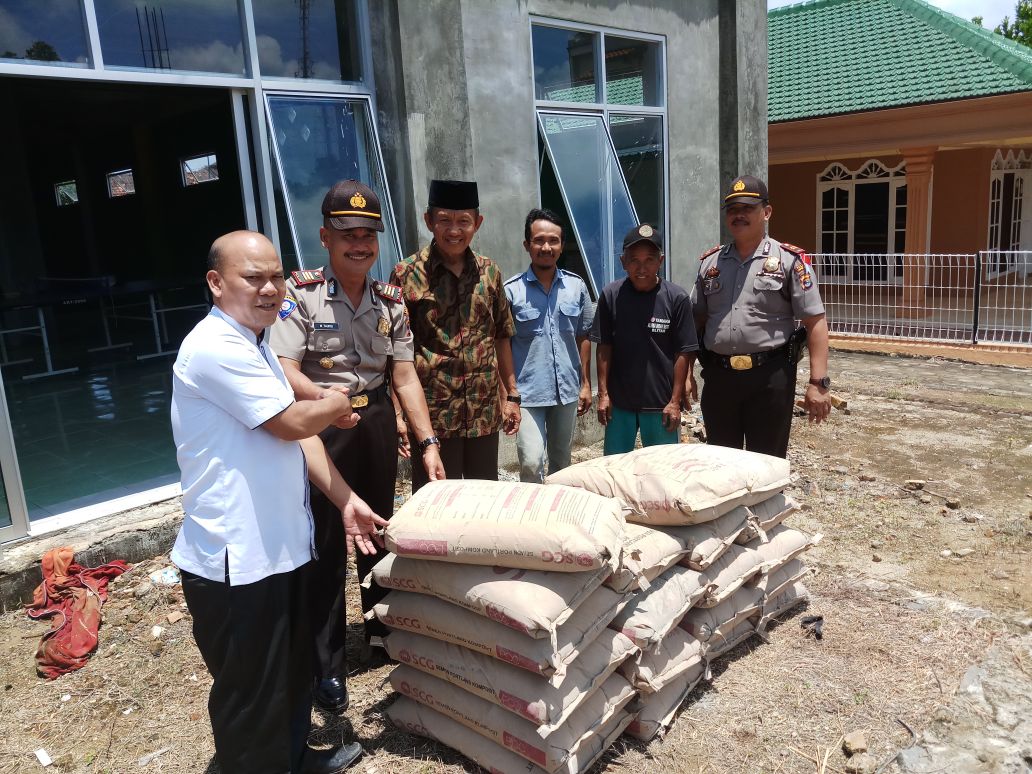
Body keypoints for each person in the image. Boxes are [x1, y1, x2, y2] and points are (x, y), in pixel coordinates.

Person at [171, 230, 387, 774]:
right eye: (253, 278)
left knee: (290, 672)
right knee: (250, 689)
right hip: (234, 559)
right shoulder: (214, 347)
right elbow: (291, 421)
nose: (269, 289)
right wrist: (338, 397)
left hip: (280, 548)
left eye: (276, 277)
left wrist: (345, 500)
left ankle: (293, 757)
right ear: (216, 284)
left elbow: (298, 434)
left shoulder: (256, 342)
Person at [270, 180, 444, 710]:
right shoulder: (299, 295)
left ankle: (382, 634)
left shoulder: (390, 301)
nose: (359, 243)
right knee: (324, 543)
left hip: (373, 425)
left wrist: (427, 440)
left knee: (378, 530)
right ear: (326, 236)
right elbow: (283, 367)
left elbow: (406, 376)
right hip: (323, 427)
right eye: (347, 233)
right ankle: (328, 666)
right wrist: (326, 401)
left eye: (368, 234)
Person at [689, 174, 831, 458]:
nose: (738, 215)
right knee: (720, 461)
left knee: (767, 462)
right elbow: (696, 321)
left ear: (766, 212)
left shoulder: (789, 262)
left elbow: (815, 322)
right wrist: (684, 375)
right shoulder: (710, 263)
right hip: (719, 378)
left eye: (747, 209)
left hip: (770, 377)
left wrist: (818, 383)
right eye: (732, 209)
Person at [390, 179, 519, 491]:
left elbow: (501, 335)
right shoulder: (406, 274)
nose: (454, 231)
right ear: (429, 221)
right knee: (434, 502)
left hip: (483, 412)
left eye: (463, 222)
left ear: (477, 223)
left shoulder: (490, 272)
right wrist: (398, 413)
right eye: (444, 220)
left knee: (483, 499)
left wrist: (511, 396)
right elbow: (394, 351)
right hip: (431, 416)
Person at [591, 224, 698, 455]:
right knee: (614, 470)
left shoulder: (677, 298)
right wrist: (604, 395)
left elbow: (683, 352)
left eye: (649, 260)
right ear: (622, 261)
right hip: (619, 406)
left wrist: (674, 400)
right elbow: (604, 347)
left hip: (660, 405)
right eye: (634, 260)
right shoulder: (611, 296)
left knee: (662, 471)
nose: (641, 268)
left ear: (660, 261)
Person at [504, 209, 593, 482]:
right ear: (527, 245)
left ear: (561, 245)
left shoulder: (576, 287)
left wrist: (585, 383)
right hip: (527, 393)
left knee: (562, 462)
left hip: (566, 390)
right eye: (539, 240)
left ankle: (558, 516)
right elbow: (502, 345)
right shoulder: (511, 291)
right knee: (531, 461)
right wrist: (508, 394)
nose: (546, 247)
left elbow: (584, 335)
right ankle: (533, 516)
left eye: (553, 240)